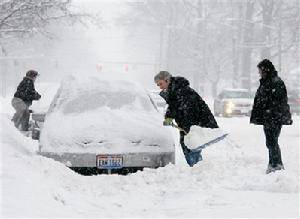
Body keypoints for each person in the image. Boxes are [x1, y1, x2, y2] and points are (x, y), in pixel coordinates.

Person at [154, 71, 218, 166]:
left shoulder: (181, 90)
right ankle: (197, 166)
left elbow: (187, 108)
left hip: (194, 122)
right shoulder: (174, 90)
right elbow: (173, 106)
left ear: (167, 80)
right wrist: (169, 117)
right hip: (188, 123)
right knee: (189, 144)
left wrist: (187, 127)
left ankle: (196, 166)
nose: (160, 87)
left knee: (190, 144)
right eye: (158, 85)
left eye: (160, 84)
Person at [250, 59, 292, 174]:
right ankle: (273, 164)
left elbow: (278, 101)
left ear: (265, 69)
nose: (259, 73)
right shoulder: (267, 81)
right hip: (269, 117)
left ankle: (276, 165)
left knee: (271, 141)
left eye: (260, 70)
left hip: (274, 117)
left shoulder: (275, 82)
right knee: (271, 141)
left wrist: (268, 110)